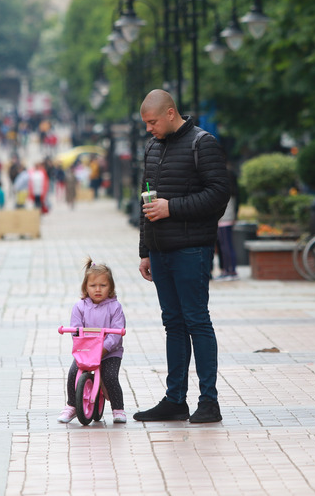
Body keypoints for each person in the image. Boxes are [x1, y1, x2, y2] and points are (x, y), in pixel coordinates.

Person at [135, 89, 230, 424]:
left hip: (192, 249)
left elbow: (219, 195)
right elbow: (146, 201)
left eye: (152, 122)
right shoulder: (153, 147)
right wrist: (145, 250)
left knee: (196, 321)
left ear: (171, 113)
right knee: (173, 325)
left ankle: (209, 402)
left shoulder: (202, 143)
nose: (149, 128)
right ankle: (175, 399)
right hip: (161, 252)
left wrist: (171, 208)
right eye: (146, 123)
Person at [57, 258, 128, 424]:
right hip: (87, 352)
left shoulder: (115, 307)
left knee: (110, 376)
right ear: (85, 287)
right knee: (73, 374)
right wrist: (82, 345)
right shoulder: (80, 307)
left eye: (103, 286)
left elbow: (116, 333)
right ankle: (72, 405)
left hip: (109, 352)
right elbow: (75, 330)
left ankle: (118, 409)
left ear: (110, 287)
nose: (98, 289)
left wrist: (104, 348)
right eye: (93, 286)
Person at [214, 167, 239, 281]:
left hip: (223, 221)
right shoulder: (232, 193)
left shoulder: (225, 193)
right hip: (227, 221)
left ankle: (229, 271)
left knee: (225, 247)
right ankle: (229, 270)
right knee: (227, 246)